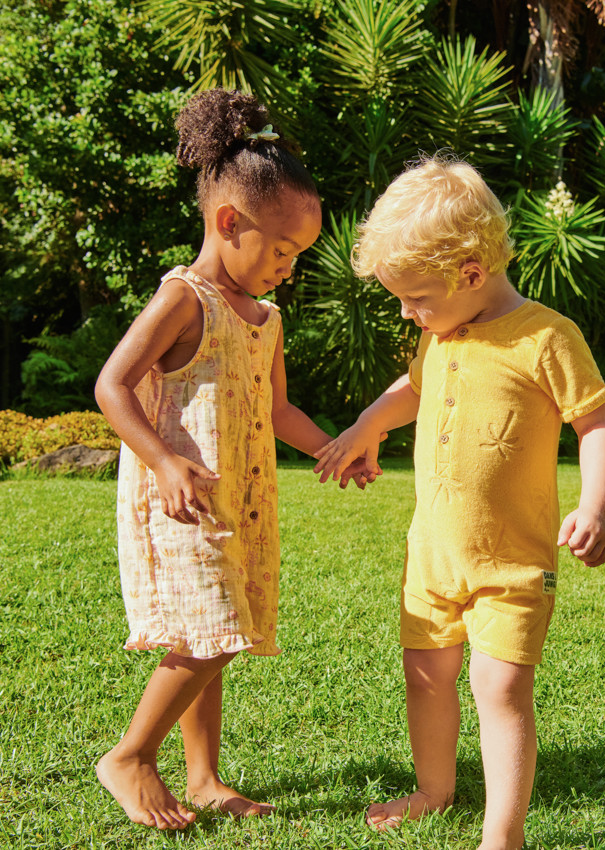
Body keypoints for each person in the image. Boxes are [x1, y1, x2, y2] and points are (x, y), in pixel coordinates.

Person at [313, 155, 605, 850]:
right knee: (426, 675)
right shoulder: (441, 333)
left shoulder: (546, 337)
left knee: (498, 688)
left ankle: (502, 834)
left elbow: (595, 422)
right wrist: (367, 425)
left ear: (472, 274)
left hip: (510, 564)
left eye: (416, 297)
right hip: (433, 559)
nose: (407, 312)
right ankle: (434, 789)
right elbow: (413, 389)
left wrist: (595, 508)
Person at [94, 88, 373, 831]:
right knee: (212, 631)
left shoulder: (266, 318)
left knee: (209, 636)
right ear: (228, 223)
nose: (289, 267)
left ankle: (206, 777)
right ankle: (130, 755)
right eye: (282, 250)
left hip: (240, 500)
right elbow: (112, 384)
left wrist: (335, 447)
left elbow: (277, 410)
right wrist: (160, 461)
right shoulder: (183, 299)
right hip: (181, 495)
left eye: (297, 256)